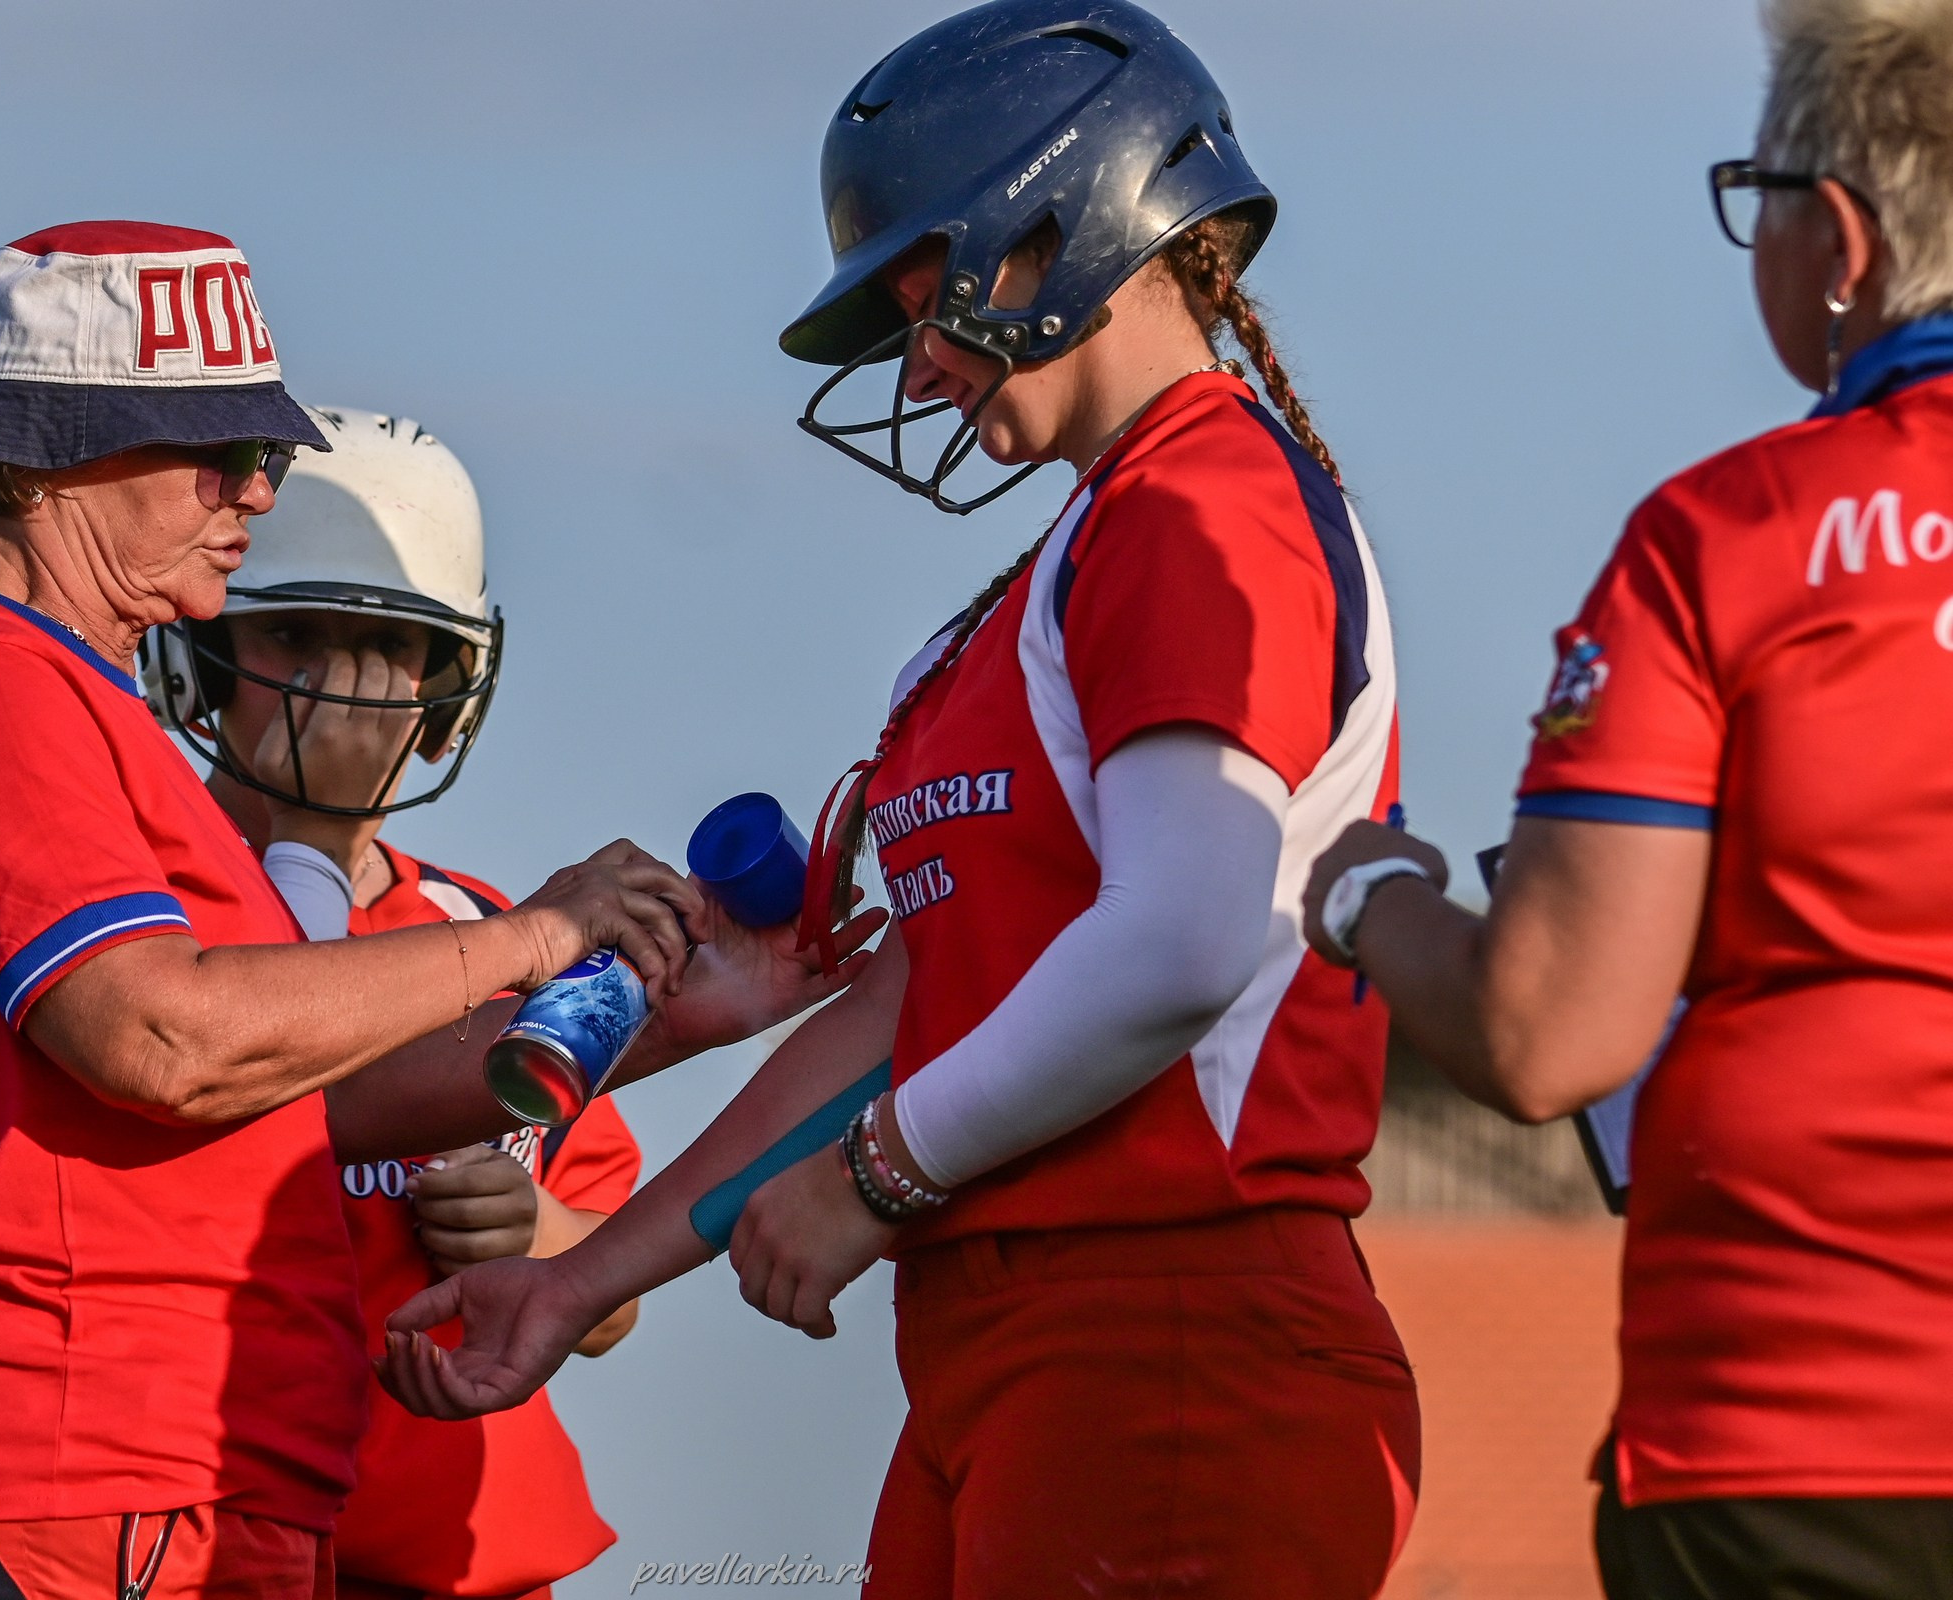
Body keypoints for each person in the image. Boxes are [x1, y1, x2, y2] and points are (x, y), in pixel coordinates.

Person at [380, 5, 1419, 1595]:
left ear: (1067, 224)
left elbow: (1186, 940)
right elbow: (911, 1007)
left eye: (927, 293)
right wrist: (579, 1281)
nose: (918, 362)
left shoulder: (1199, 494)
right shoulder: (1052, 572)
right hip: (1015, 1336)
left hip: (1171, 1322)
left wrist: (880, 1173)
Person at [0, 222, 865, 1600]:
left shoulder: (77, 707)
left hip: (180, 1487)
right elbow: (166, 1044)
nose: (255, 485)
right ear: (30, 460)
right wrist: (535, 935)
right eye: (211, 451)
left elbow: (306, 1103)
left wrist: (663, 1015)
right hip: (77, 1476)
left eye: (259, 450)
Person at [1302, 3, 1953, 1596]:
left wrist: (1363, 895)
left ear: (1845, 237)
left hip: (1808, 1429)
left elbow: (1547, 1038)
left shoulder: (1721, 540)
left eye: (1763, 198)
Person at [146, 404, 646, 1599]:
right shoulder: (148, 917)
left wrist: (535, 1233)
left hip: (474, 1560)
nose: (351, 693)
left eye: (392, 650)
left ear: (449, 692)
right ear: (210, 659)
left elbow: (609, 1297)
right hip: (225, 1550)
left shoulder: (491, 932)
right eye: (300, 639)